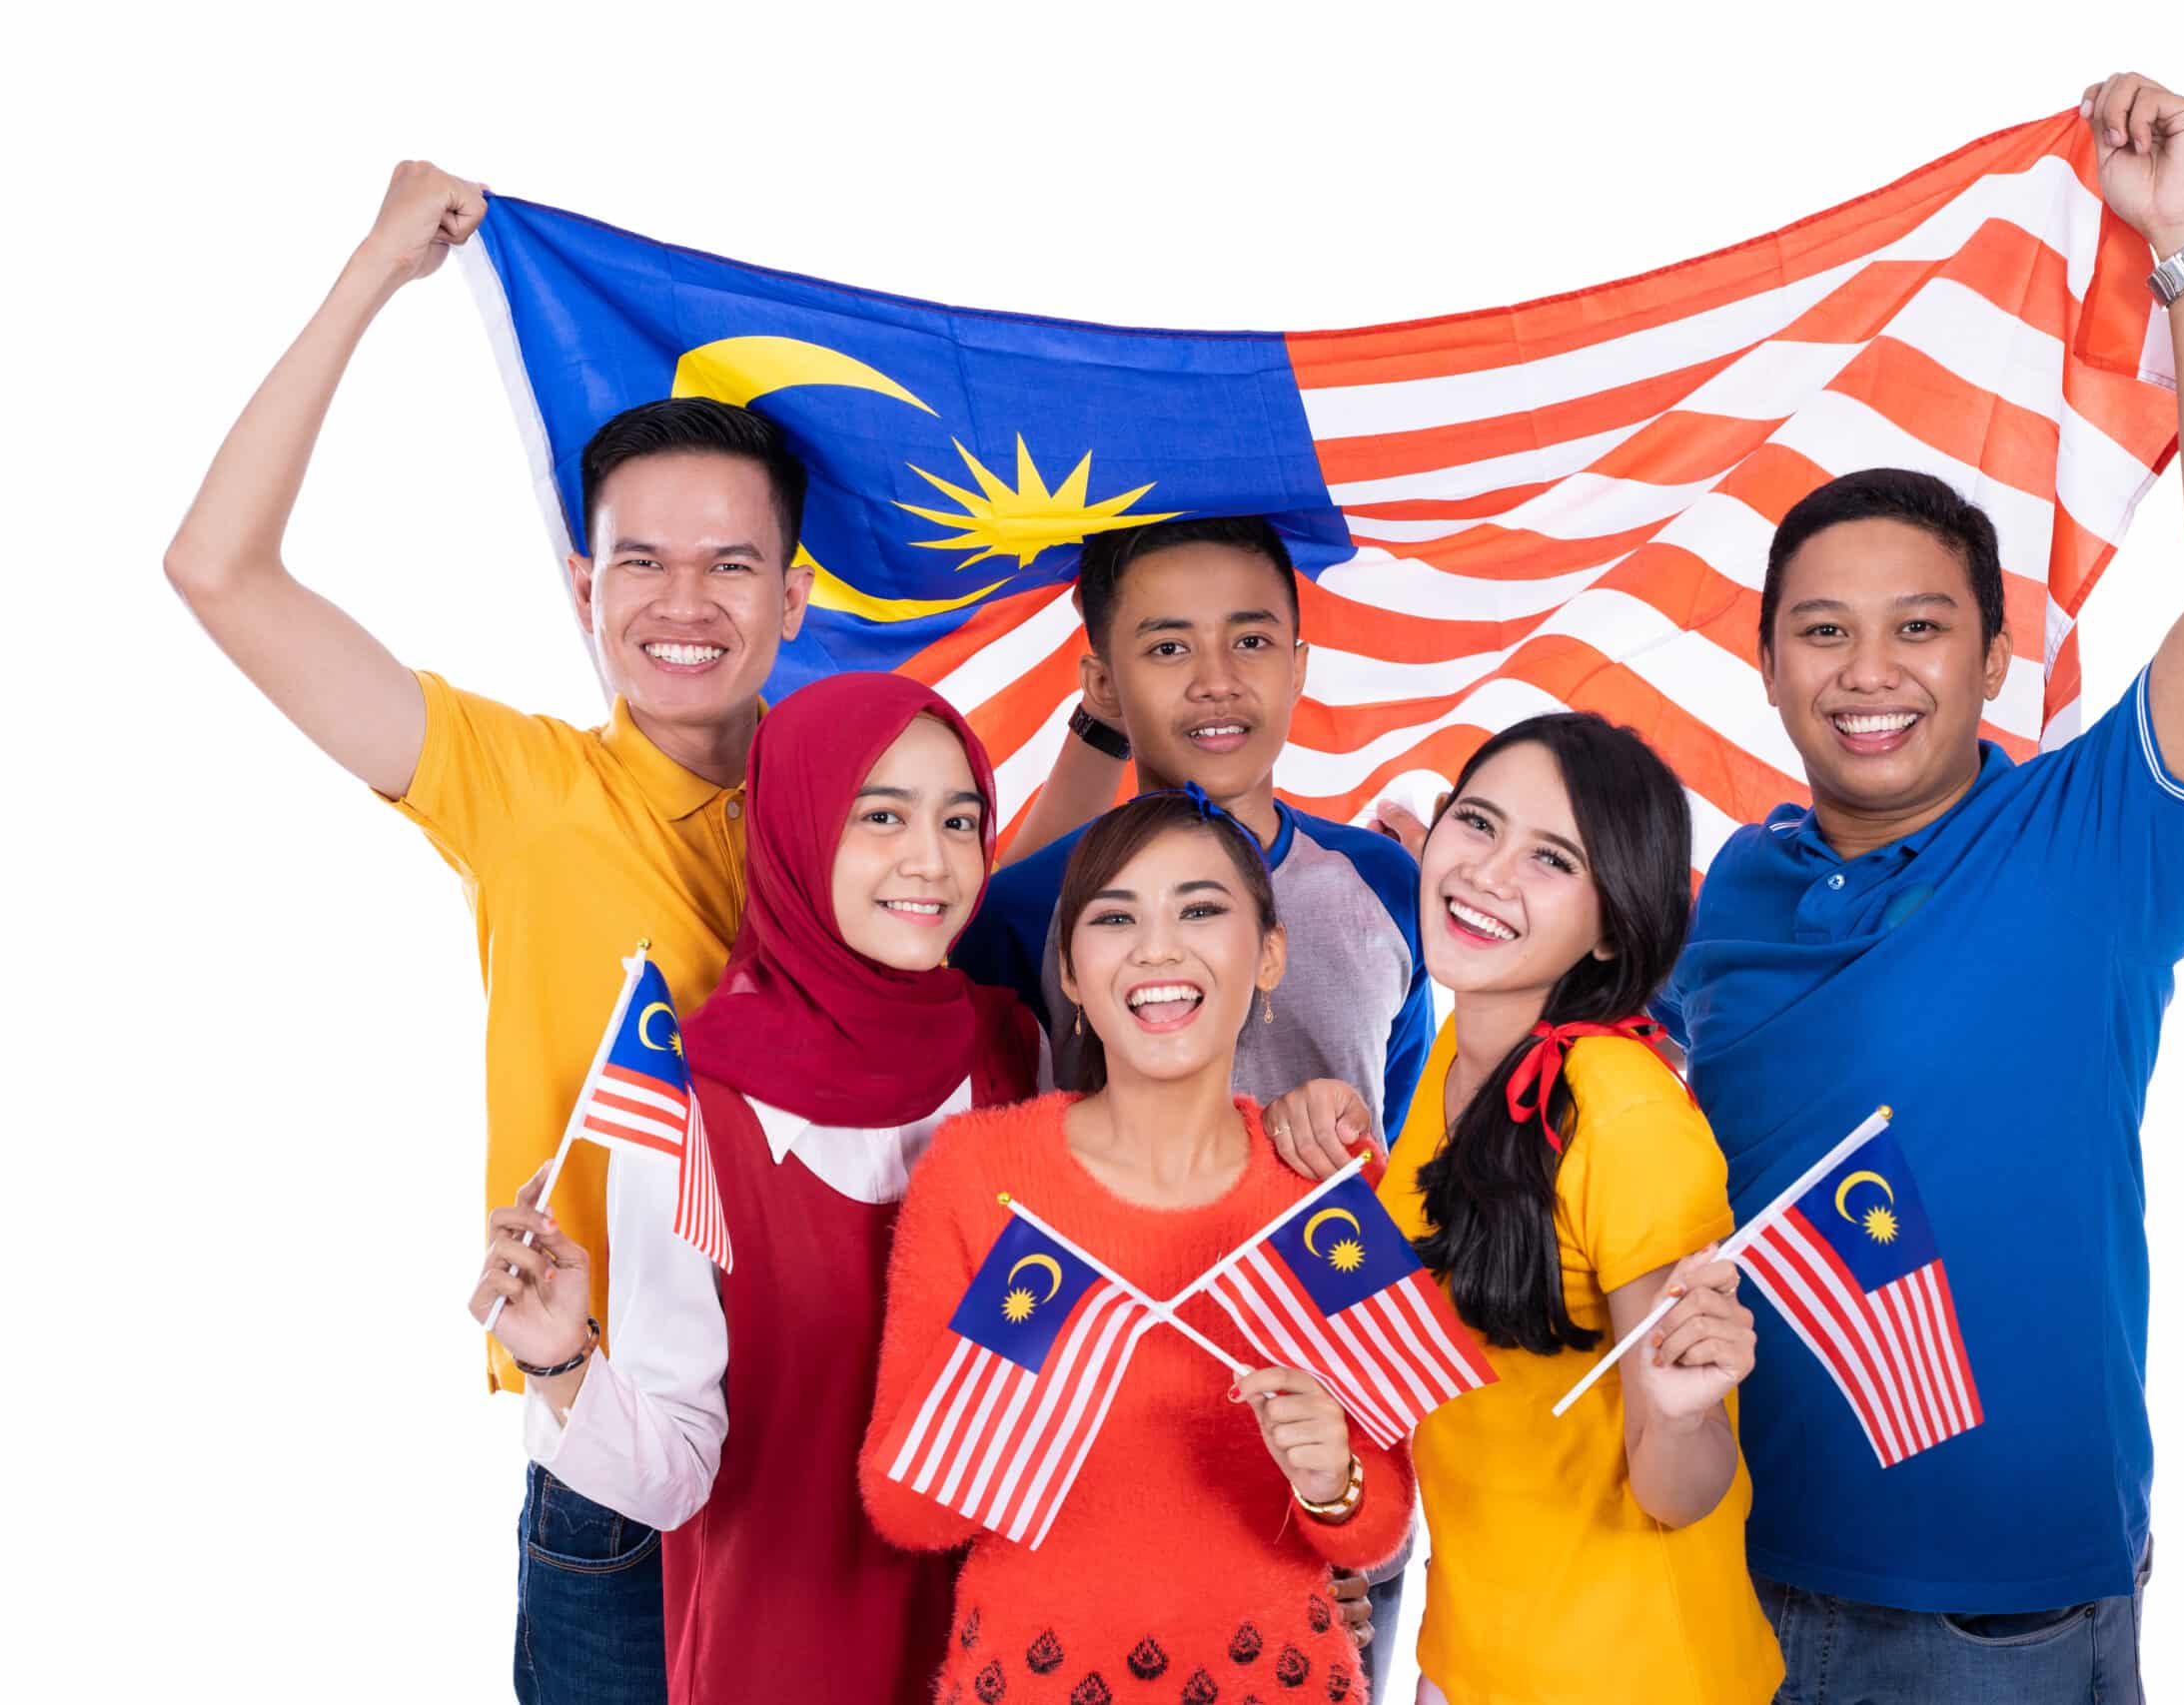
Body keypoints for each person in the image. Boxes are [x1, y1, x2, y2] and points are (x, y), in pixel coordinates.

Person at [1641, 76, 2184, 1701]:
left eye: (1919, 626)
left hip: (1997, 1627)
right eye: (1823, 629)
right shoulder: (1732, 884)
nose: (1870, 671)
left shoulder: (2092, 841)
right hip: (1722, 1585)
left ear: (1994, 657)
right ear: (1769, 665)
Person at [163, 161, 815, 1701]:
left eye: (732, 563)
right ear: (584, 583)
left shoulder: (866, 812)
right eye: (641, 561)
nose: (686, 599)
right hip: (612, 1440)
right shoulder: (523, 788)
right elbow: (218, 570)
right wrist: (377, 267)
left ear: (794, 596)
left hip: (828, 1444)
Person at [469, 673, 1040, 1703]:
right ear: (793, 829)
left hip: (999, 1647)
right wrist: (561, 1363)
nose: (932, 858)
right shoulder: (697, 1110)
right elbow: (676, 1473)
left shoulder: (1012, 1051)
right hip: (779, 1654)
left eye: (961, 820)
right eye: (880, 815)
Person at [952, 514, 1433, 1675]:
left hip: (1331, 1432)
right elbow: (992, 1188)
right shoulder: (1025, 915)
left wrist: (1344, 1502)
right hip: (1113, 1456)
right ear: (1102, 679)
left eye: (1253, 640)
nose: (1219, 682)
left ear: (1302, 662)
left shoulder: (1383, 885)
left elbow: (1395, 1152)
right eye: (1168, 648)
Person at [863, 787, 1416, 1704]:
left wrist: (1331, 1475)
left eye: (1200, 909)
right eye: (1115, 917)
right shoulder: (978, 1170)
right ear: (1072, 970)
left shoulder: (1318, 1192)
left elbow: (1379, 1524)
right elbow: (905, 1507)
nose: (1158, 947)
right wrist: (1028, 1345)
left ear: (1270, 954)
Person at [1364, 713, 1782, 1704]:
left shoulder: (1628, 1114)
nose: (1487, 873)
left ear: (1609, 922)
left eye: (1551, 858)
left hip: (1635, 1674)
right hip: (1468, 1658)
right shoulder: (1454, 1052)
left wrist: (1683, 1416)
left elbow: (1680, 1490)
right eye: (1476, 823)